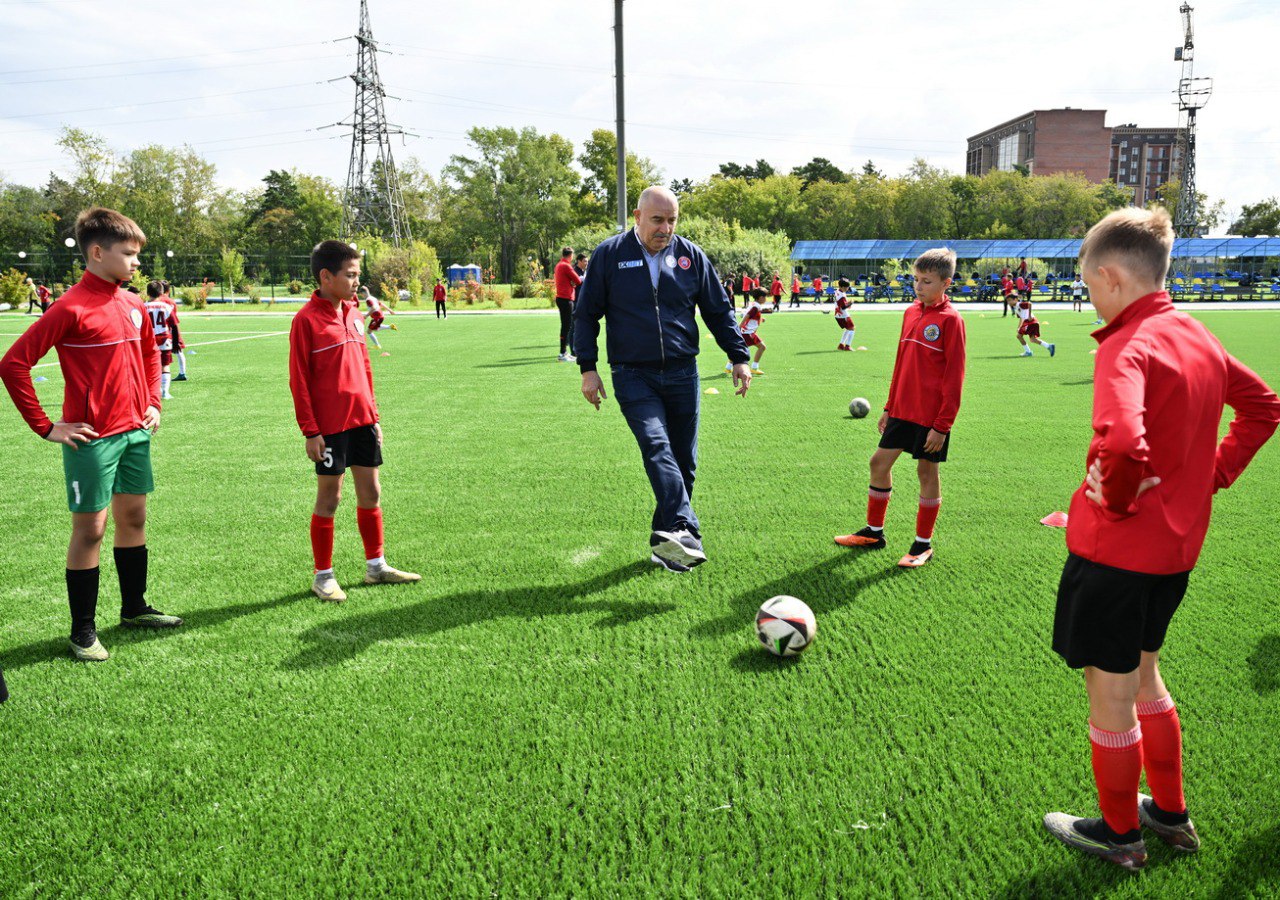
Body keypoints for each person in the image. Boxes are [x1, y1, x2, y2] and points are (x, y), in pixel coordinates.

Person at [1042, 207, 1280, 870]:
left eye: (1090, 288)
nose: (1092, 300)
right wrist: (1214, 473)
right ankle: (1170, 816)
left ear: (1112, 278)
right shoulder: (1196, 334)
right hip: (1173, 555)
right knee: (1146, 675)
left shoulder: (1130, 343)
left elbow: (1121, 440)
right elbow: (1264, 407)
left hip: (1115, 555)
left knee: (1111, 693)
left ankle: (1120, 836)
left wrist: (1115, 498)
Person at [0, 207, 182, 662]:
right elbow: (13, 364)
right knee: (92, 529)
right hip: (92, 439)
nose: (137, 262)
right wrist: (47, 427)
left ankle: (134, 608)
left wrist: (153, 404)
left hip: (135, 432)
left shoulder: (133, 303)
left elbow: (148, 357)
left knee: (135, 518)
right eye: (129, 253)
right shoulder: (69, 308)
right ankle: (82, 630)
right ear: (97, 253)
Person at [574, 186, 751, 572]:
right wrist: (588, 367)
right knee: (657, 446)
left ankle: (665, 544)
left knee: (684, 461)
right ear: (637, 217)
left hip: (683, 372)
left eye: (672, 220)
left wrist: (739, 356)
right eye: (657, 220)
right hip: (632, 373)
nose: (665, 228)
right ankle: (687, 529)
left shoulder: (691, 256)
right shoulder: (609, 255)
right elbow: (585, 314)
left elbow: (718, 311)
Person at [288, 240, 421, 602]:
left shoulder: (353, 313)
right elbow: (298, 380)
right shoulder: (306, 321)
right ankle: (323, 576)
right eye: (350, 275)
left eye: (357, 274)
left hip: (362, 421)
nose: (356, 282)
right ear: (325, 276)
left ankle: (376, 566)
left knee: (371, 492)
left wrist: (374, 415)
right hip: (329, 427)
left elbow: (363, 368)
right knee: (330, 499)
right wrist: (311, 431)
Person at [834, 248, 966, 568]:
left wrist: (942, 426)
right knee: (879, 463)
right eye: (916, 280)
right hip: (902, 409)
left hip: (931, 416)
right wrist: (889, 405)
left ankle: (922, 545)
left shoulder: (951, 320)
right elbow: (901, 364)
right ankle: (874, 533)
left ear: (945, 283)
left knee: (926, 471)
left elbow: (954, 376)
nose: (918, 287)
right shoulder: (910, 312)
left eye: (927, 281)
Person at [143, 281, 177, 399]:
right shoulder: (166, 306)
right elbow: (174, 325)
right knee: (165, 366)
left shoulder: (143, 307)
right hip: (164, 338)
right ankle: (165, 392)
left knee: (148, 366)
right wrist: (176, 343)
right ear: (161, 292)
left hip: (148, 340)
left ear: (147, 293)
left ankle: (152, 391)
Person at [553, 247, 583, 362]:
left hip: (561, 297)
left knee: (565, 326)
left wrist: (572, 283)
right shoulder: (566, 266)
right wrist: (573, 283)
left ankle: (564, 352)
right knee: (567, 326)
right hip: (566, 298)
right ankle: (562, 353)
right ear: (570, 255)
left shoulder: (559, 265)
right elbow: (578, 280)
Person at [730, 287, 768, 373]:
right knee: (762, 347)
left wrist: (761, 319)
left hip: (747, 332)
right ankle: (754, 368)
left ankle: (728, 367)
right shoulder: (756, 307)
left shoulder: (754, 305)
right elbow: (747, 316)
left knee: (739, 350)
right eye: (765, 297)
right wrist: (740, 326)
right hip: (748, 333)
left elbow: (751, 316)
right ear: (761, 297)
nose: (765, 299)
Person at [160, 281, 189, 382]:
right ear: (168, 290)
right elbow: (174, 316)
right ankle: (182, 373)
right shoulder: (171, 301)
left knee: (160, 353)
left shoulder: (157, 300)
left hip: (161, 330)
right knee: (179, 350)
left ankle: (160, 374)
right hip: (173, 328)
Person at [358, 286, 397, 352]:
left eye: (361, 294)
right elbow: (381, 304)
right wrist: (390, 310)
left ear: (364, 293)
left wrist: (366, 315)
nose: (362, 296)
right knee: (376, 328)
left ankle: (377, 345)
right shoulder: (373, 298)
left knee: (369, 331)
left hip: (377, 317)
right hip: (380, 316)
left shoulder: (368, 300)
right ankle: (390, 327)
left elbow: (373, 308)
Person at [834, 278, 856, 351]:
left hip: (838, 314)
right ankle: (848, 346)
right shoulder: (841, 296)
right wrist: (850, 303)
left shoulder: (837, 291)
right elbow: (843, 307)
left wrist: (847, 303)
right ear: (841, 287)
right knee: (852, 328)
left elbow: (841, 304)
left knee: (848, 328)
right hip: (843, 315)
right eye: (846, 287)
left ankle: (841, 345)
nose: (847, 288)